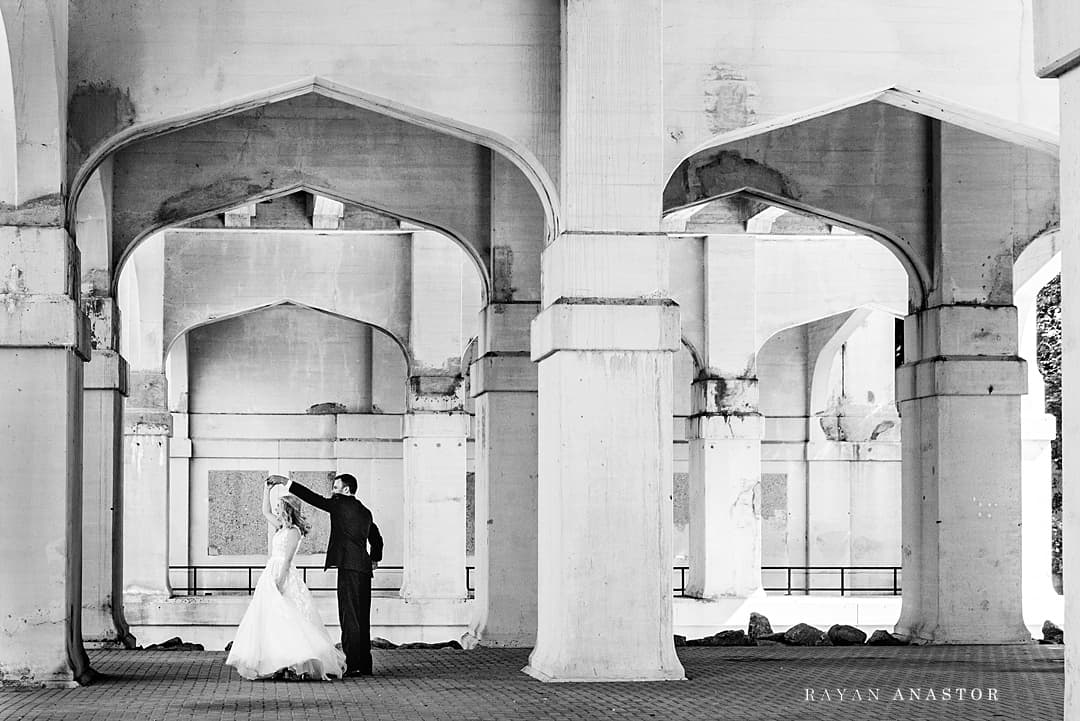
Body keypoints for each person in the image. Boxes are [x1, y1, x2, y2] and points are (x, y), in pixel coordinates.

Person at [224, 481, 346, 680]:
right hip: (270, 571)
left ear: (288, 509)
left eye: (280, 507)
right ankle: (279, 663)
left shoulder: (293, 532)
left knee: (289, 618)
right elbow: (265, 511)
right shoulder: (281, 527)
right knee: (272, 618)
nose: (277, 510)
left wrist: (279, 581)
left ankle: (293, 663)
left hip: (282, 573)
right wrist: (267, 489)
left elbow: (288, 559)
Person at [267, 473, 383, 677]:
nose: (333, 492)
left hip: (348, 567)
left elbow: (314, 498)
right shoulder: (365, 512)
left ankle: (353, 665)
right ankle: (365, 664)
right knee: (362, 617)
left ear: (346, 490)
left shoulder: (339, 504)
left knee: (349, 618)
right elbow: (376, 536)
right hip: (363, 569)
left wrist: (286, 483)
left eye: (336, 488)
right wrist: (374, 558)